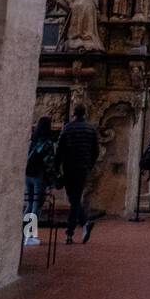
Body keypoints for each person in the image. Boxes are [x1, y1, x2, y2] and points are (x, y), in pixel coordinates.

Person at [55, 104, 100, 245]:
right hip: (82, 168)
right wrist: (89, 165)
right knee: (75, 199)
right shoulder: (91, 129)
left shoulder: (67, 128)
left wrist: (57, 169)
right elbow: (96, 151)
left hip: (69, 168)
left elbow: (59, 151)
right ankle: (84, 224)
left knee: (73, 200)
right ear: (84, 113)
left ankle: (70, 233)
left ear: (74, 113)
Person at [23, 116, 56, 245]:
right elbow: (49, 164)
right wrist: (52, 181)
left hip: (28, 174)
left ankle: (25, 233)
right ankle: (30, 235)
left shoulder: (32, 139)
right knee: (36, 205)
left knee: (29, 203)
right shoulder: (47, 143)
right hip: (38, 175)